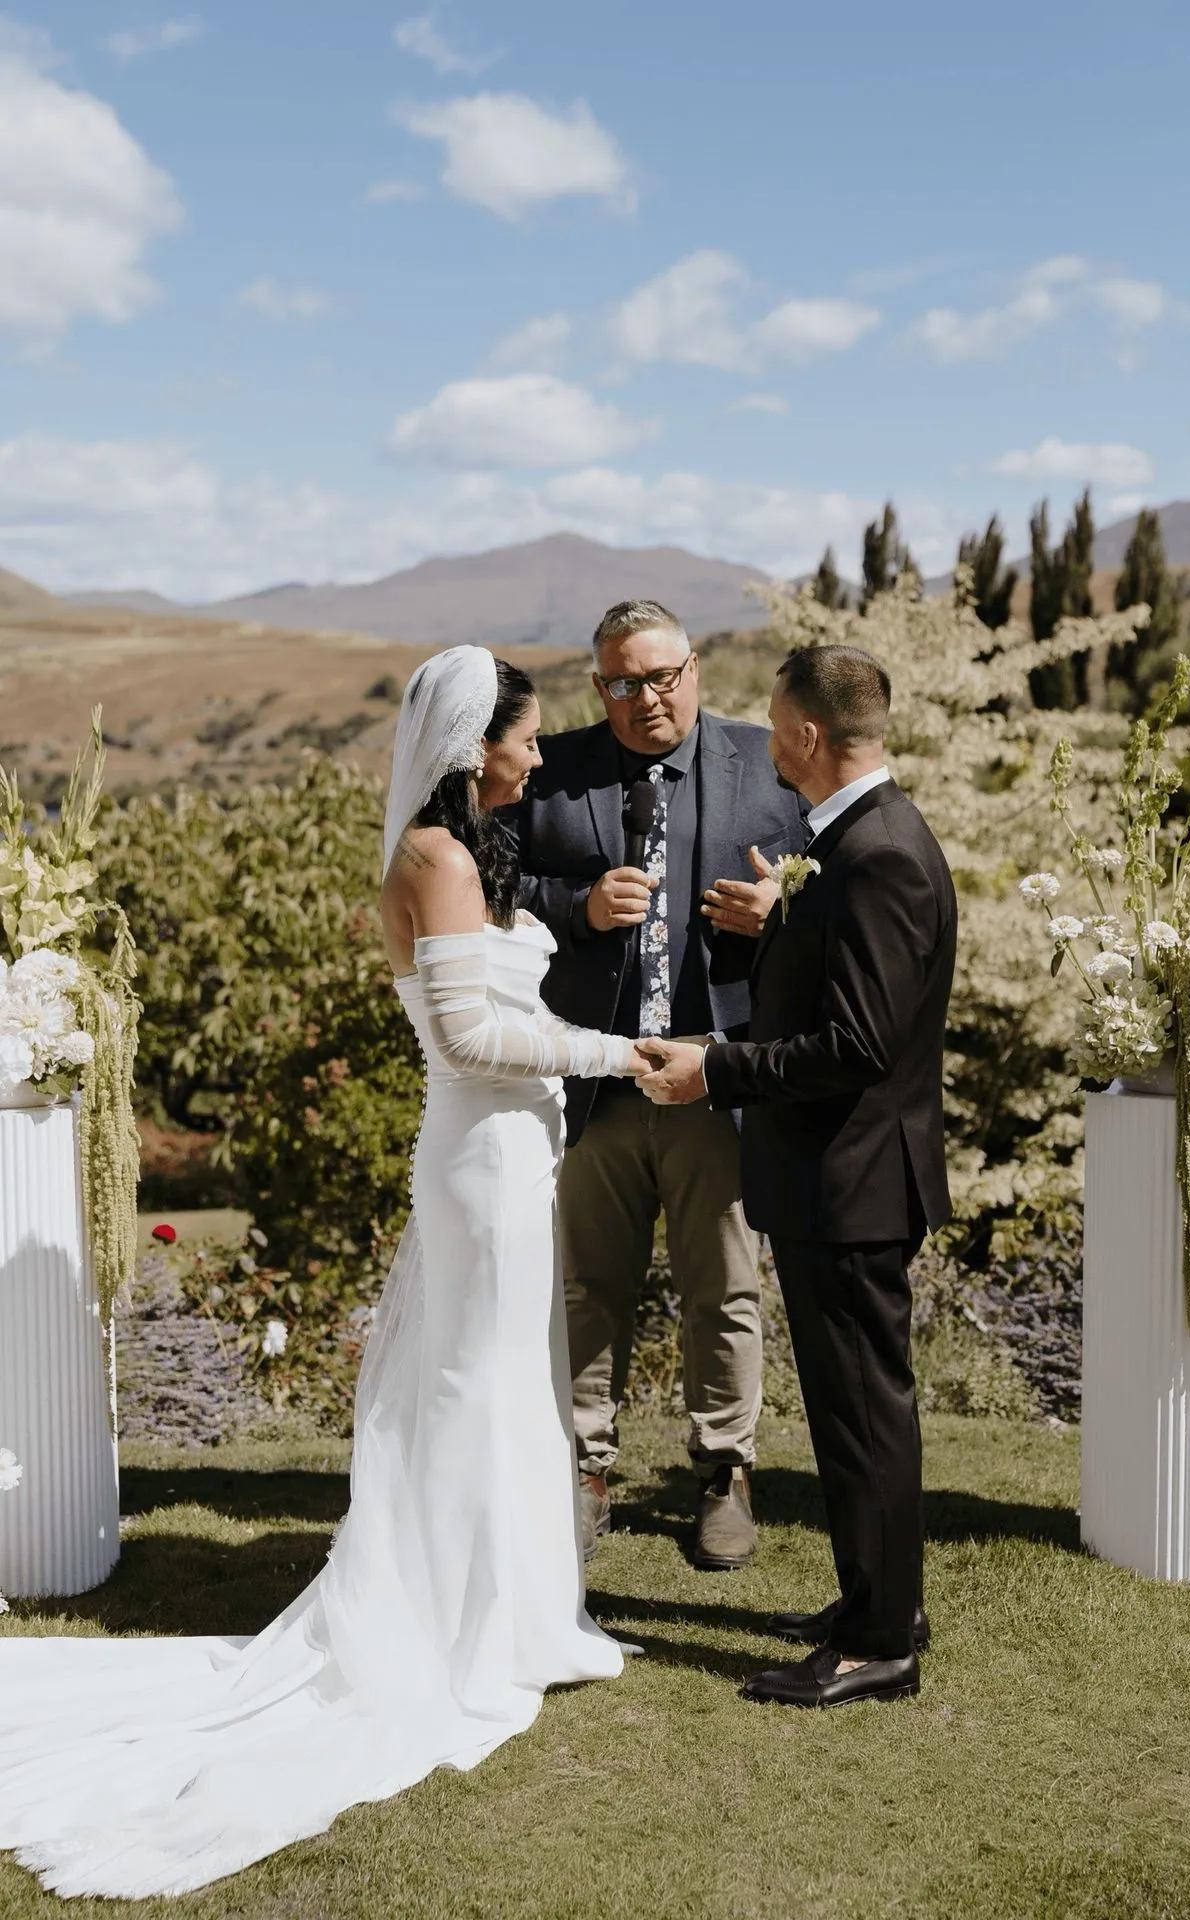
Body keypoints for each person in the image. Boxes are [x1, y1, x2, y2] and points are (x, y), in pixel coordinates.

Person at [0, 647, 648, 1899]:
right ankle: (459, 1629)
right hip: (479, 1156)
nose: (535, 752)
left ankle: (516, 1615)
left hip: (515, 1151)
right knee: (470, 1382)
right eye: (521, 737)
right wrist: (621, 1055)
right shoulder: (433, 858)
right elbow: (468, 1034)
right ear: (474, 747)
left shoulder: (471, 852)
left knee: (514, 1378)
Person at [638, 642, 956, 1708]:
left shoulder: (880, 856)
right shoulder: (848, 843)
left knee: (864, 1412)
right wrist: (779, 922)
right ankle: (879, 1603)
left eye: (775, 727)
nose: (765, 743)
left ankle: (878, 1646)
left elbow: (858, 1044)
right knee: (851, 1408)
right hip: (836, 1177)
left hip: (854, 1180)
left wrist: (715, 1068)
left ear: (810, 737)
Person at [514, 600, 807, 1570]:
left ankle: (723, 1469)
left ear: (697, 667)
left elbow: (840, 878)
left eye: (662, 676)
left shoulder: (763, 764)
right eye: (623, 684)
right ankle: (582, 1468)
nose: (646, 698)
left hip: (712, 1076)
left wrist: (782, 912)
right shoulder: (553, 772)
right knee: (584, 1289)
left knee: (720, 1286)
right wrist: (578, 904)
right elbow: (489, 884)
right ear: (598, 687)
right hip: (594, 1076)